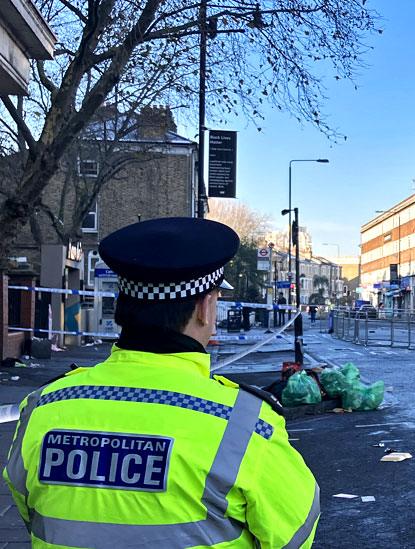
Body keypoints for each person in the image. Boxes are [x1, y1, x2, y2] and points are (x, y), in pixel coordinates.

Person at [3, 217, 320, 547]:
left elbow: (30, 511)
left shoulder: (44, 407)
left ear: (123, 307)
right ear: (205, 308)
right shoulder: (247, 426)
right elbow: (296, 534)